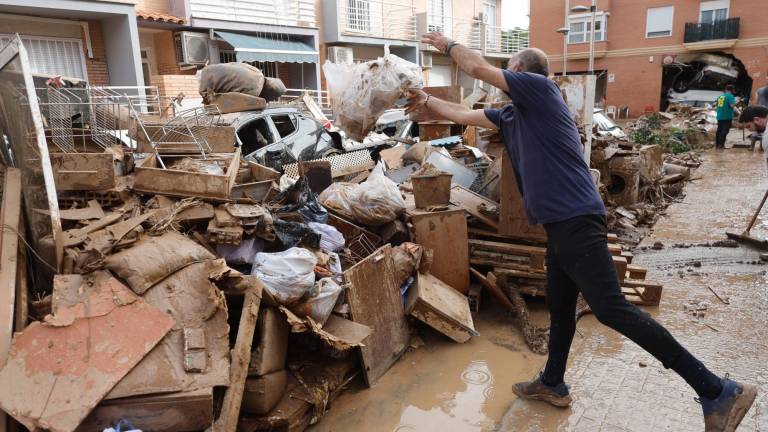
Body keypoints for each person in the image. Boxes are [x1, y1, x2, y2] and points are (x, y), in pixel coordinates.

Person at [406, 32, 757, 432]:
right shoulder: (512, 115)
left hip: (575, 217)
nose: (505, 77)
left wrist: (447, 44)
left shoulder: (540, 90)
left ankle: (717, 389)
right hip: (560, 225)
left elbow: (478, 69)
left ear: (520, 72)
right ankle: (553, 383)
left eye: (510, 71)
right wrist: (428, 102)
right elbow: (464, 116)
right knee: (560, 305)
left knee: (611, 308)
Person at [714, 84, 737, 149]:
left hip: (719, 116)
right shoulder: (730, 96)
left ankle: (717, 145)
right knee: (725, 130)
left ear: (726, 89)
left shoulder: (720, 96)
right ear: (732, 90)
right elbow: (732, 105)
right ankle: (721, 145)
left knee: (719, 130)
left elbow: (717, 106)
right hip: (727, 116)